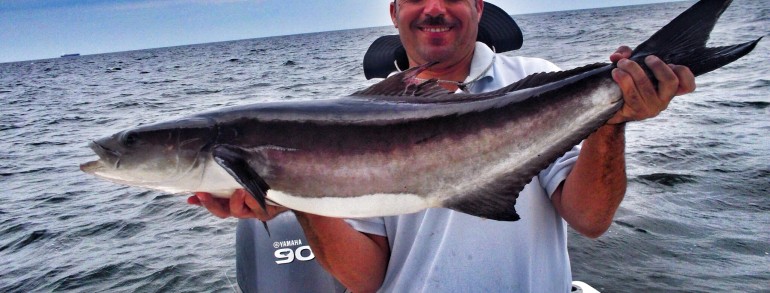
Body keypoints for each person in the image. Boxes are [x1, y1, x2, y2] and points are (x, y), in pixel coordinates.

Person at [189, 0, 696, 292]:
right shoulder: (347, 124)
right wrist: (292, 196)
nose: (434, 7)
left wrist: (610, 121)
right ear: (395, 12)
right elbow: (366, 279)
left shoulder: (537, 81)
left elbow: (590, 218)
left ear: (477, 7)